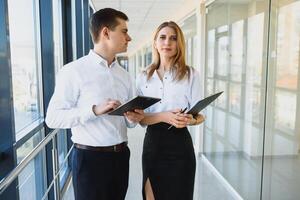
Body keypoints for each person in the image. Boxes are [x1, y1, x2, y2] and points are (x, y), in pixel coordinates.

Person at [45, 8, 144, 200]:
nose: (129, 37)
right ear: (106, 32)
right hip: (89, 160)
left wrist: (134, 118)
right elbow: (53, 118)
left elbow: (130, 122)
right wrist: (93, 110)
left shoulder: (124, 76)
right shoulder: (73, 71)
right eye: (124, 31)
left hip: (121, 157)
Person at [137, 21, 205, 200]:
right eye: (163, 37)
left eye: (173, 38)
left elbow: (200, 116)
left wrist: (189, 120)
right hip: (153, 144)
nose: (167, 42)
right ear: (155, 43)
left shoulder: (191, 74)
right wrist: (164, 116)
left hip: (180, 145)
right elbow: (141, 119)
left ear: (179, 44)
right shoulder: (144, 76)